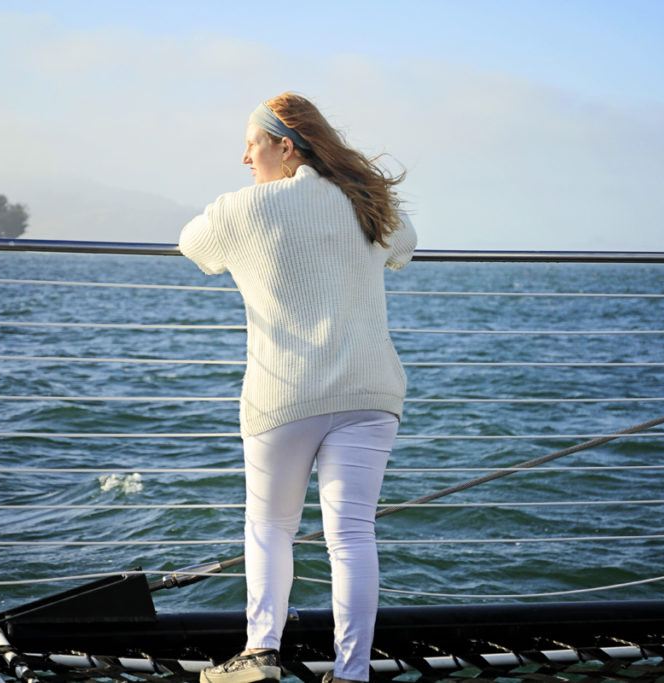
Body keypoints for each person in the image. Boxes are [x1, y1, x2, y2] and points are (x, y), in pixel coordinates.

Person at [178, 92, 416, 683]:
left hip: (283, 396)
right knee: (353, 535)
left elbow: (192, 244)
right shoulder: (369, 205)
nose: (243, 157)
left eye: (251, 144)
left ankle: (261, 654)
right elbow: (405, 244)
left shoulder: (243, 208)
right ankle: (352, 673)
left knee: (270, 526)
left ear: (284, 146)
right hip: (369, 394)